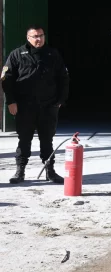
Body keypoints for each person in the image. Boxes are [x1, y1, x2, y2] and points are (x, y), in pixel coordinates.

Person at [1, 24, 69, 184]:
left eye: (41, 35)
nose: (38, 39)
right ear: (28, 38)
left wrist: (60, 101)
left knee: (47, 140)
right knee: (24, 139)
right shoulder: (17, 54)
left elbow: (63, 78)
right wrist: (11, 101)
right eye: (35, 36)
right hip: (24, 106)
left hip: (48, 106)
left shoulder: (53, 54)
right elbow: (6, 78)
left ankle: (50, 171)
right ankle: (20, 171)